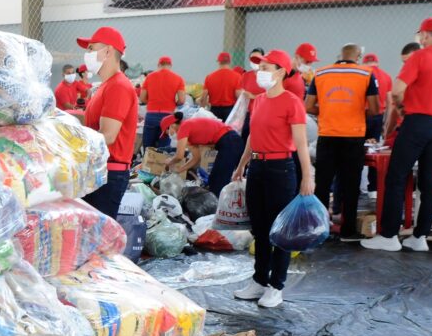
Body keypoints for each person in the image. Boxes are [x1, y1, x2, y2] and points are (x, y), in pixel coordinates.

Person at [362, 18, 432, 253]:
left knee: (396, 177)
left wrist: (401, 109)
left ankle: (389, 235)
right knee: (429, 182)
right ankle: (420, 237)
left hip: (418, 122)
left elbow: (397, 91)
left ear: (425, 35)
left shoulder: (420, 56)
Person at [231, 50, 315, 309]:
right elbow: (251, 137)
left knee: (281, 231)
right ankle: (259, 279)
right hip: (258, 167)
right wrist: (242, 164)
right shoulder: (259, 101)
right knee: (259, 228)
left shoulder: (292, 102)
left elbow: (301, 144)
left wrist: (307, 177)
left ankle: (276, 286)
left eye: (266, 67)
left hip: (282, 169)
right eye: (260, 67)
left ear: (280, 72)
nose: (260, 72)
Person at [305, 44, 379, 241]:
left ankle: (319, 228)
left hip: (327, 135)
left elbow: (308, 106)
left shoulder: (320, 74)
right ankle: (347, 231)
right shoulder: (366, 74)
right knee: (351, 185)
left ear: (340, 55)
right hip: (353, 136)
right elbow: (374, 109)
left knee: (322, 184)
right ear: (359, 56)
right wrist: (354, 112)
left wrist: (329, 110)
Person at [79, 27, 136, 218]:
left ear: (108, 51)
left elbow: (109, 136)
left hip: (108, 174)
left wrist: (72, 143)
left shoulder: (118, 86)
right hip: (99, 170)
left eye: (91, 48)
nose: (87, 54)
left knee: (98, 242)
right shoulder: (106, 86)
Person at [161, 112, 244, 196]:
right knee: (215, 180)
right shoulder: (188, 131)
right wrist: (178, 171)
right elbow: (196, 158)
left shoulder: (184, 127)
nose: (169, 135)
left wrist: (170, 162)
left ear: (172, 125)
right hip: (230, 142)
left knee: (218, 181)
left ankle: (217, 206)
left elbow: (179, 156)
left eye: (167, 132)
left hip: (230, 141)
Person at [362, 52, 393, 194]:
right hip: (377, 117)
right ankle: (373, 188)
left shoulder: (361, 74)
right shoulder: (386, 76)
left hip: (361, 116)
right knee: (373, 150)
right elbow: (390, 102)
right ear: (377, 63)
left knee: (357, 151)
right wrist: (386, 123)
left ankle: (355, 186)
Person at [139, 56, 186, 149]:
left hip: (151, 115)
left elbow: (142, 98)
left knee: (148, 148)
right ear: (170, 65)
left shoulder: (149, 77)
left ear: (158, 65)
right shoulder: (178, 78)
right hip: (168, 117)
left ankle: (146, 162)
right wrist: (173, 103)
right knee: (163, 150)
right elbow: (181, 100)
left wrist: (152, 102)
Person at [202, 52, 244, 122]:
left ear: (219, 61)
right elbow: (239, 95)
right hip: (230, 110)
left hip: (214, 110)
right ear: (229, 62)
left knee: (215, 131)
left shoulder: (209, 77)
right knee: (229, 131)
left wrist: (202, 109)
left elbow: (204, 97)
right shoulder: (237, 77)